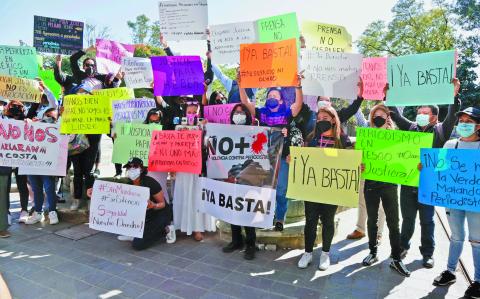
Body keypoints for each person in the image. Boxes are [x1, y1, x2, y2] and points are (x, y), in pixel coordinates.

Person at [388, 79, 461, 268]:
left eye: (425, 113)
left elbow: (452, 116)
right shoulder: (410, 128)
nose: (420, 115)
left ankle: (428, 253)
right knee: (408, 219)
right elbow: (394, 115)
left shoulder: (441, 131)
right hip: (408, 184)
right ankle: (403, 247)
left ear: (434, 117)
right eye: (419, 112)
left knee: (427, 221)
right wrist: (388, 95)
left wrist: (454, 96)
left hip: (428, 185)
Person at [240, 74, 304, 231]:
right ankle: (263, 216)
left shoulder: (287, 112)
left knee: (281, 190)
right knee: (263, 189)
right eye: (269, 95)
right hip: (264, 158)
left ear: (281, 100)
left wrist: (298, 86)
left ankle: (280, 218)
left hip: (282, 157)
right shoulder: (262, 113)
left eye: (275, 95)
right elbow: (246, 103)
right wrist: (241, 85)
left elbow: (298, 104)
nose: (272, 97)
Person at [432, 107, 480, 298]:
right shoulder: (450, 145)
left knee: (476, 240)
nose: (464, 125)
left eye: (469, 122)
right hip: (453, 198)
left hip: (475, 202)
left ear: (478, 126)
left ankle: (478, 281)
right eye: (462, 122)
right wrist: (426, 167)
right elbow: (439, 170)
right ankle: (450, 271)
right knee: (456, 236)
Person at [296, 106, 351, 270]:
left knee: (328, 221)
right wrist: (295, 158)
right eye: (319, 119)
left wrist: (357, 166)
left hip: (332, 190)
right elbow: (303, 160)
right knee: (310, 221)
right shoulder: (312, 138)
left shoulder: (342, 140)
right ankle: (307, 253)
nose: (321, 122)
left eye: (325, 119)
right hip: (312, 189)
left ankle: (325, 253)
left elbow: (350, 162)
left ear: (333, 120)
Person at [360, 104, 410, 276]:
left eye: (382, 115)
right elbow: (359, 157)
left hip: (389, 184)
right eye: (375, 115)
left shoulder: (395, 136)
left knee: (393, 221)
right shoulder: (366, 136)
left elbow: (404, 158)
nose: (378, 117)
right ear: (372, 118)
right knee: (372, 219)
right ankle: (372, 252)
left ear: (388, 118)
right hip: (371, 184)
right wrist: (360, 164)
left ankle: (396, 258)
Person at [87, 158, 174, 250]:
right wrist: (95, 190)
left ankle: (166, 229)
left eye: (135, 167)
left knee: (138, 245)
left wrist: (153, 205)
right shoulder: (128, 183)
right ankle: (133, 231)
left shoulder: (150, 182)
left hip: (160, 213)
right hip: (145, 215)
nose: (131, 169)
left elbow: (162, 204)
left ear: (142, 169)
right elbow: (110, 190)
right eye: (128, 167)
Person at [172, 99, 216, 241]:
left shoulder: (205, 127)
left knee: (197, 196)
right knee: (185, 194)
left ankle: (198, 228)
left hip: (199, 167)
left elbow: (209, 146)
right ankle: (184, 225)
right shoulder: (178, 127)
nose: (191, 115)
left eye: (194, 112)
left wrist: (203, 130)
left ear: (199, 113)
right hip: (183, 167)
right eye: (189, 112)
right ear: (185, 113)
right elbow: (172, 147)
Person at [221, 103, 257, 260]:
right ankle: (236, 241)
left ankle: (250, 244)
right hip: (231, 175)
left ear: (248, 116)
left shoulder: (254, 132)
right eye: (236, 112)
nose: (239, 115)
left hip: (249, 176)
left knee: (247, 210)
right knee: (233, 209)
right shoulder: (226, 132)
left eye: (242, 112)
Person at [25, 108, 60, 225]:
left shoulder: (54, 124)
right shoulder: (34, 120)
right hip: (32, 160)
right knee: (36, 188)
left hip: (47, 162)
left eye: (52, 115)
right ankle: (38, 213)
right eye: (48, 114)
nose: (50, 116)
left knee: (49, 188)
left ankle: (52, 212)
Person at [2, 100, 30, 223]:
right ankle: (5, 212)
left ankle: (24, 210)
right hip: (5, 160)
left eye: (18, 107)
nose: (16, 109)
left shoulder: (26, 122)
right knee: (5, 188)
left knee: (22, 186)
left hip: (20, 161)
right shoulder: (3, 120)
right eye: (13, 107)